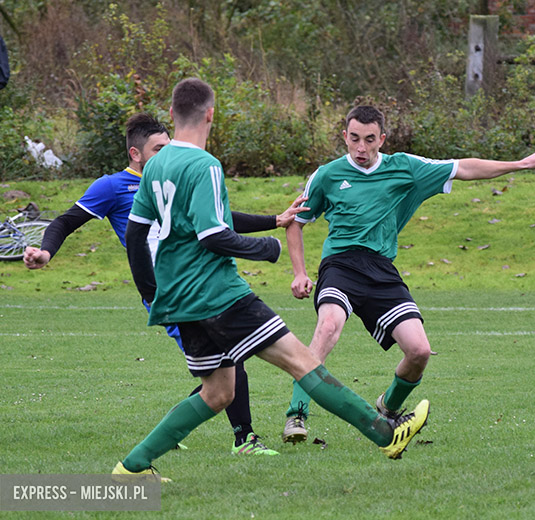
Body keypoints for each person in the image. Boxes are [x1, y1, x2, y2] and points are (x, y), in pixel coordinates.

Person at [113, 78, 429, 480]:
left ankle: (133, 466)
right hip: (219, 294)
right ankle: (386, 433)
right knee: (303, 363)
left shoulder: (156, 164)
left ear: (172, 115)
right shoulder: (205, 165)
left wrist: (152, 293)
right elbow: (213, 236)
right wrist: (268, 248)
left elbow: (136, 233)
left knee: (218, 393)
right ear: (211, 114)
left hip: (180, 298)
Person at [23, 112, 308, 457]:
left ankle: (178, 431)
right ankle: (243, 439)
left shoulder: (176, 178)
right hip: (167, 293)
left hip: (197, 283)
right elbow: (66, 221)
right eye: (158, 149)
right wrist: (46, 252)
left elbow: (217, 220)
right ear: (135, 154)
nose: (167, 154)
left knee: (221, 369)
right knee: (229, 361)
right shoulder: (113, 187)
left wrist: (273, 220)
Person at [280, 105, 535, 443]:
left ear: (383, 138)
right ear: (344, 137)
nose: (361, 148)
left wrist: (519, 164)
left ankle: (388, 409)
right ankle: (297, 413)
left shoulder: (406, 168)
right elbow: (294, 221)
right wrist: (299, 273)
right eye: (353, 139)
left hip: (381, 270)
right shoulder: (328, 175)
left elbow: (463, 168)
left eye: (369, 140)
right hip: (341, 265)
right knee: (329, 326)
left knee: (419, 351)